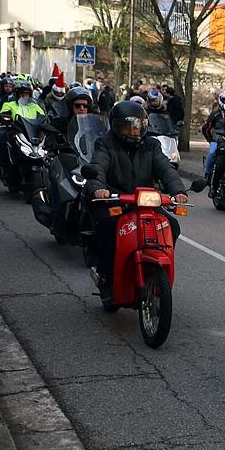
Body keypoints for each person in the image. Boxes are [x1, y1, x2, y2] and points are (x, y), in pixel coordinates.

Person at [84, 101, 187, 301]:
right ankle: (107, 275)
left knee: (171, 225)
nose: (133, 131)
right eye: (128, 127)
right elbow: (98, 167)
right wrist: (99, 189)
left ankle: (155, 267)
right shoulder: (105, 144)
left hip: (145, 202)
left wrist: (178, 190)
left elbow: (166, 169)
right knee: (106, 226)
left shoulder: (152, 145)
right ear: (116, 126)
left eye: (137, 127)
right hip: (115, 201)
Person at [0, 80, 47, 165]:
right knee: (1, 134)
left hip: (33, 132)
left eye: (26, 93)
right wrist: (6, 118)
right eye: (21, 93)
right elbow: (3, 113)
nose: (24, 96)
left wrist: (46, 122)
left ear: (30, 94)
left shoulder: (35, 106)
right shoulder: (10, 104)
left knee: (49, 139)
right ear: (16, 94)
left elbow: (43, 117)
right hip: (16, 130)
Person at [202, 90, 225, 181]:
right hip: (217, 140)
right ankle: (208, 173)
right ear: (222, 101)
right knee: (212, 152)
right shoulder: (216, 114)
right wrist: (211, 141)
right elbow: (206, 129)